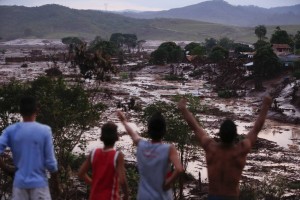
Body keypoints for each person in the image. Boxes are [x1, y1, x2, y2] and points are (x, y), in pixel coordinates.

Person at [177, 96, 272, 200]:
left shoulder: (210, 148)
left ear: (219, 134)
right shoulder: (240, 150)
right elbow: (256, 128)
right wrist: (266, 106)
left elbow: (195, 127)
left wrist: (183, 109)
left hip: (213, 196)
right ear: (235, 135)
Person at [0, 96, 59, 199]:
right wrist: (56, 184)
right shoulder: (45, 131)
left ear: (20, 111)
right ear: (37, 110)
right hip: (39, 185)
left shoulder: (11, 130)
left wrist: (6, 168)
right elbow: (51, 163)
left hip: (19, 185)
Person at [117, 111, 184, 200]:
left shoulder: (141, 145)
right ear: (164, 131)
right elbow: (179, 169)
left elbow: (132, 134)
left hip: (143, 196)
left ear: (148, 130)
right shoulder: (169, 149)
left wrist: (124, 121)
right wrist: (168, 183)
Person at [78, 122, 129, 200]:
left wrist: (93, 184)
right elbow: (122, 180)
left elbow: (81, 173)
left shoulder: (94, 153)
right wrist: (126, 195)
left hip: (94, 197)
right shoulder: (117, 156)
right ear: (117, 137)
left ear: (101, 138)